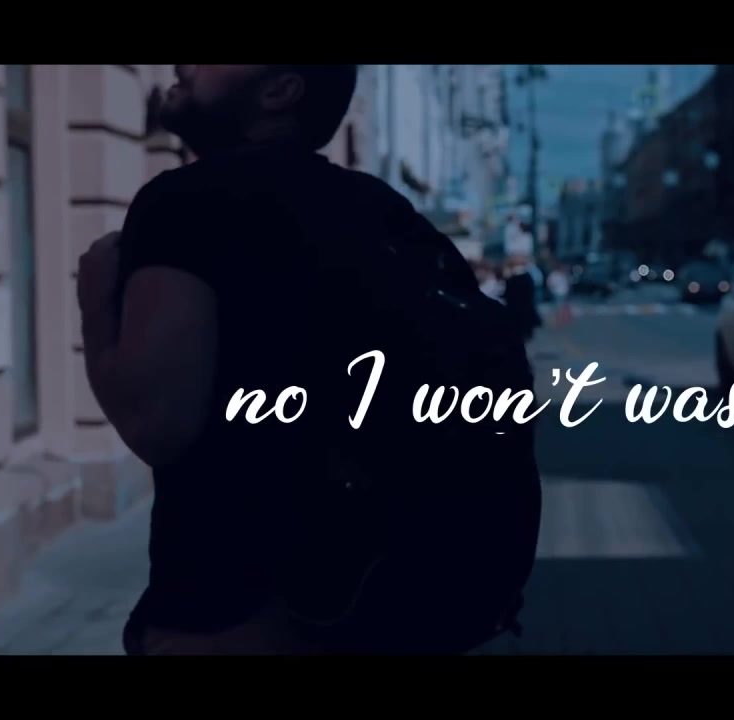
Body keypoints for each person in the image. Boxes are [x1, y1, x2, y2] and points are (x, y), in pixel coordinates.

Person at [75, 65, 538, 656]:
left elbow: (156, 422)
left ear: (280, 90)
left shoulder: (191, 201)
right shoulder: (385, 212)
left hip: (232, 614)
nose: (183, 65)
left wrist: (96, 298)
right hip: (377, 611)